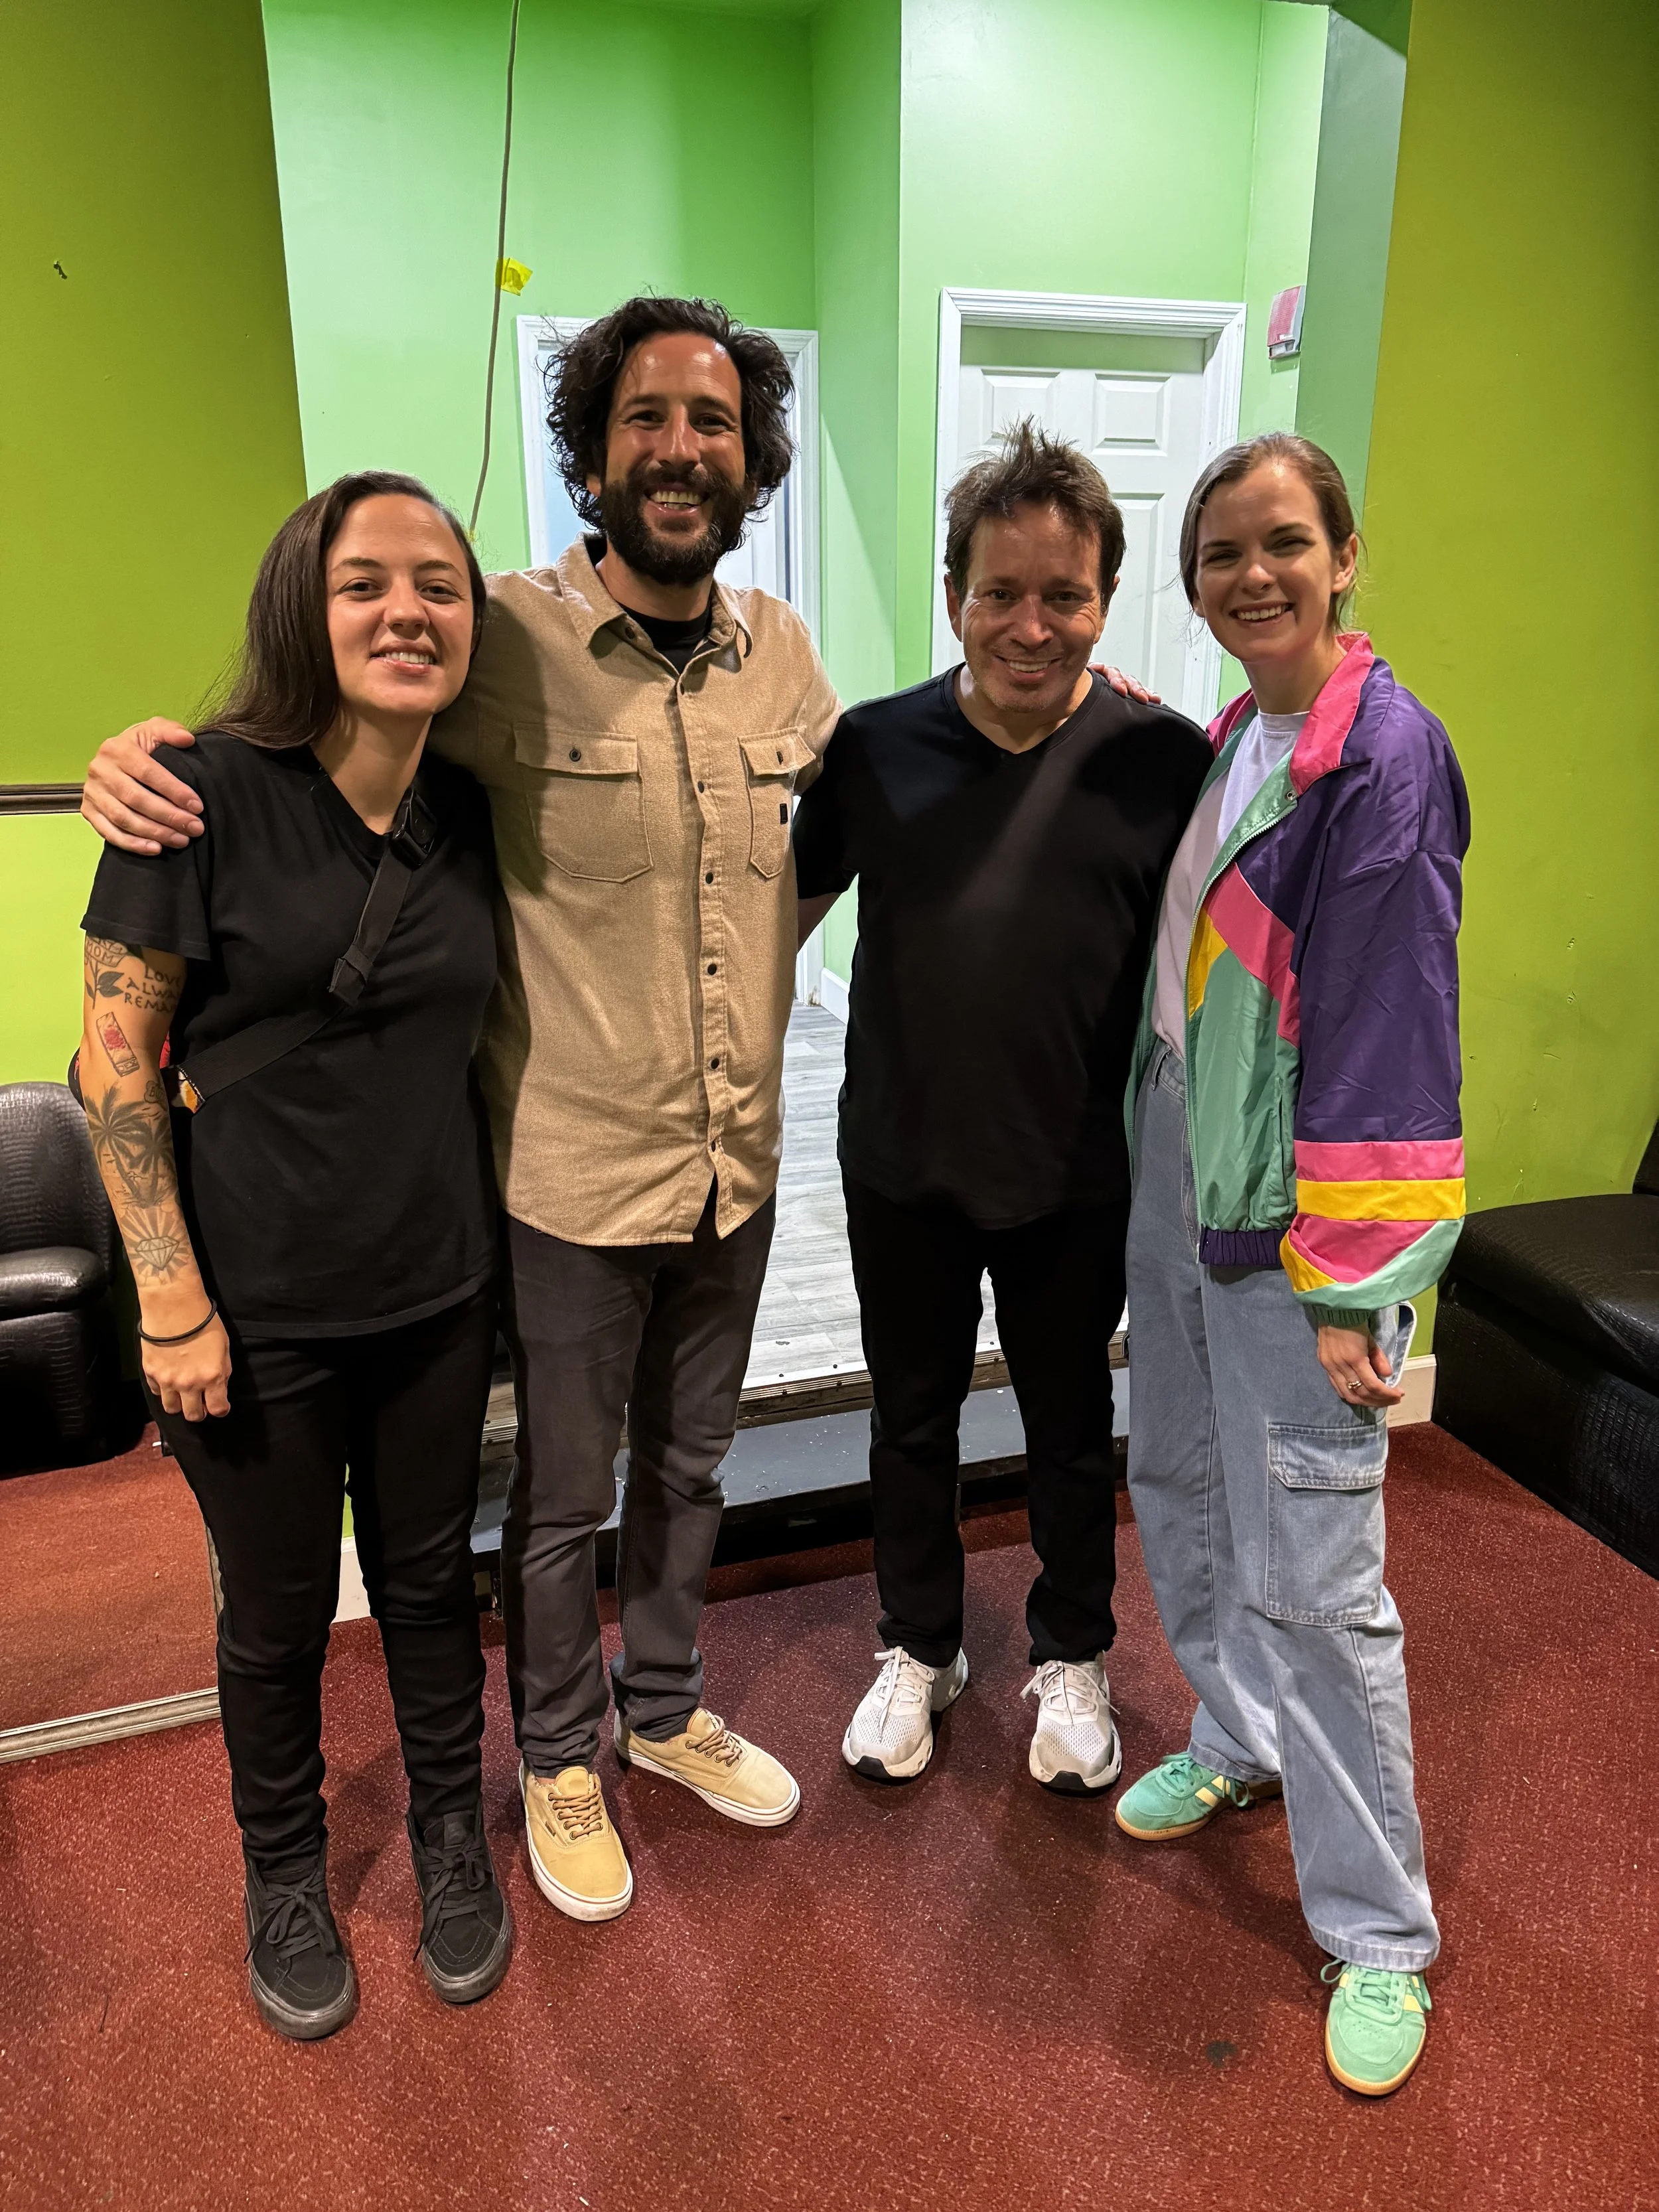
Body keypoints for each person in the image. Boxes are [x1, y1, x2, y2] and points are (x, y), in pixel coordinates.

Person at [82, 297, 839, 1923]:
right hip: (562, 1173)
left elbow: (823, 841)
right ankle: (553, 1758)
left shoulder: (786, 655)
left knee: (689, 1468)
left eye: (710, 421)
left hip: (733, 1168)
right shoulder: (508, 641)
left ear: (753, 452)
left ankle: (661, 1704)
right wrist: (138, 752)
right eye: (644, 418)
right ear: (593, 445)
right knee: (555, 1500)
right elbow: (321, 727)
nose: (679, 449)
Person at [79, 472, 511, 2040]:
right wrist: (171, 1298)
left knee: (421, 1586)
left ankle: (455, 1839)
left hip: (438, 1290)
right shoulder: (197, 790)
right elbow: (115, 1056)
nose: (407, 609)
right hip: (247, 1312)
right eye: (364, 583)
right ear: (302, 610)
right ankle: (283, 1871)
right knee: (271, 1613)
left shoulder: (469, 801)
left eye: (439, 584)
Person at [1112, 433, 1468, 2097]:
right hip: (1181, 1175)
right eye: (1220, 554)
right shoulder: (1243, 741)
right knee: (1180, 1482)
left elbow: (1394, 1029)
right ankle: (1237, 1735)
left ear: (1344, 556)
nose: (1249, 575)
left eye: (1281, 545)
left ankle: (1379, 1929)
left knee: (1319, 1575)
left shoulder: (1381, 762)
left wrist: (1355, 1283)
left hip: (1295, 1226)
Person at [792, 425, 1211, 1791]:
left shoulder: (1164, 762)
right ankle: (919, 1645)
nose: (1030, 626)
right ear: (951, 593)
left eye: (1064, 596)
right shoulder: (869, 749)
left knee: (1065, 1426)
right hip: (901, 1159)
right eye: (998, 593)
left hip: (1076, 1170)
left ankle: (1072, 1653)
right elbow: (775, 920)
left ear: (1104, 598)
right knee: (907, 1415)